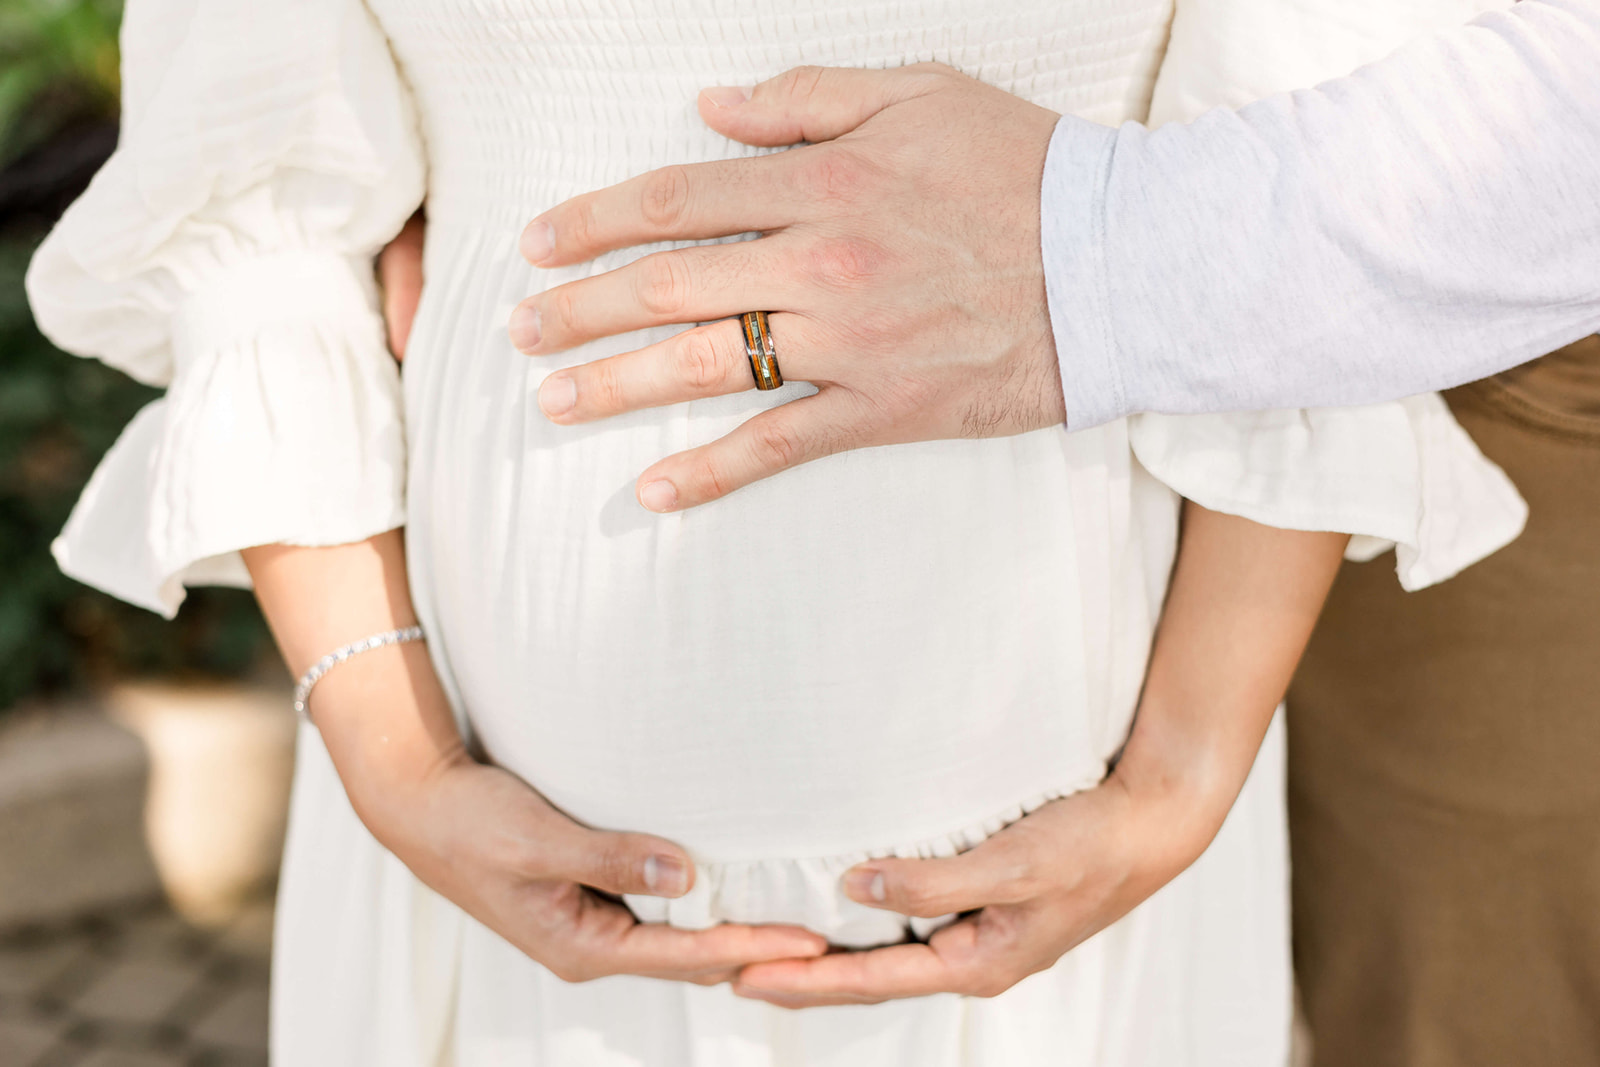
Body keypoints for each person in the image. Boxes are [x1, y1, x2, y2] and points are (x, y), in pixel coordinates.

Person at [25, 3, 1527, 1066]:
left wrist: (1180, 777)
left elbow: (1314, 222)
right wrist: (392, 753)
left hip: (1075, 844)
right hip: (490, 834)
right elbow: (257, 229)